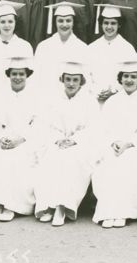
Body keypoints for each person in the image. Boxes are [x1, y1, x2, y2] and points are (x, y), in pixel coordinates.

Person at [33, 59, 99, 226]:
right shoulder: (52, 99)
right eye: (68, 79)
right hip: (55, 142)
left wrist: (74, 140)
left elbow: (93, 128)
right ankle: (48, 206)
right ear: (62, 79)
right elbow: (44, 125)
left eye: (75, 80)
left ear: (81, 82)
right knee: (50, 159)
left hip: (80, 144)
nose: (71, 83)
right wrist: (57, 139)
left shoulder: (89, 101)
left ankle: (62, 207)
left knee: (70, 160)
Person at [90, 58, 137, 228]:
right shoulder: (113, 101)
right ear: (121, 78)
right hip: (114, 146)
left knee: (128, 164)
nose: (129, 80)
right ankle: (108, 213)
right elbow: (104, 128)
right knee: (109, 164)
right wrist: (113, 142)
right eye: (125, 76)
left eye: (133, 76)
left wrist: (128, 144)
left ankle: (124, 212)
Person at [0, 55, 39, 222]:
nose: (18, 77)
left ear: (27, 75)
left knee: (16, 161)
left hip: (26, 142)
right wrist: (0, 139)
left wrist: (20, 140)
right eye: (14, 74)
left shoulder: (35, 97)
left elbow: (39, 124)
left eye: (21, 74)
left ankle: (12, 206)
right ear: (9, 75)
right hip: (3, 141)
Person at [33, 2, 88, 97]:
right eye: (60, 21)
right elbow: (35, 78)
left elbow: (87, 80)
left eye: (68, 20)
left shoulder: (82, 48)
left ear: (73, 22)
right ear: (55, 22)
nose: (64, 24)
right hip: (47, 99)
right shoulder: (43, 47)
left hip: (73, 101)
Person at [86, 5, 137, 104]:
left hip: (120, 99)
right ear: (101, 24)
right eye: (106, 23)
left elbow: (131, 76)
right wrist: (96, 91)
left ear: (119, 25)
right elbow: (86, 74)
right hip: (94, 99)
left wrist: (114, 91)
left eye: (113, 23)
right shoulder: (92, 48)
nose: (109, 27)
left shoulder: (128, 48)